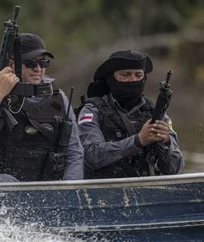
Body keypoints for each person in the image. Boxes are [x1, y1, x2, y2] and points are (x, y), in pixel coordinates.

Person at [0, 33, 84, 182]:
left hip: (41, 192)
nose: (38, 69)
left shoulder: (58, 98)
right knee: (4, 181)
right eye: (31, 63)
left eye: (43, 63)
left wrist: (69, 192)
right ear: (12, 65)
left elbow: (74, 152)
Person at [77, 50, 184, 179]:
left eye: (138, 75)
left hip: (147, 191)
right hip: (103, 191)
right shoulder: (92, 110)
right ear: (111, 79)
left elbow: (175, 169)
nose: (133, 80)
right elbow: (90, 156)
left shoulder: (155, 113)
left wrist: (165, 142)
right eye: (125, 74)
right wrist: (138, 141)